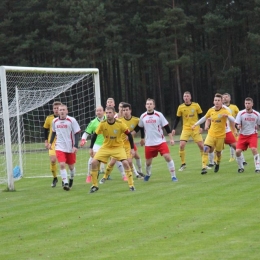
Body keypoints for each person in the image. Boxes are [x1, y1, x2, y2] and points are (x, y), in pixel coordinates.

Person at [89, 106, 136, 193]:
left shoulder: (120, 123)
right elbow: (94, 135)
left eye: (110, 113)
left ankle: (131, 185)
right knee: (93, 162)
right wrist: (91, 148)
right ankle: (94, 185)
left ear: (114, 114)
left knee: (126, 163)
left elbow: (129, 134)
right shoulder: (103, 123)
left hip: (118, 147)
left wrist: (132, 148)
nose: (108, 114)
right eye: (106, 113)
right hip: (106, 147)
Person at [99, 103, 144, 182]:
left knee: (130, 160)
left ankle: (136, 174)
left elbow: (141, 126)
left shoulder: (136, 120)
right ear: (121, 112)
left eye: (127, 110)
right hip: (118, 144)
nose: (125, 112)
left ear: (130, 111)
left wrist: (142, 138)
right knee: (112, 162)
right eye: (123, 110)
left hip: (128, 144)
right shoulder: (119, 121)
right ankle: (105, 177)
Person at [192, 93, 235, 174]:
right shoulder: (210, 110)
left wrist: (228, 116)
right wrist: (195, 124)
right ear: (213, 101)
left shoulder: (225, 111)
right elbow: (204, 118)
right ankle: (204, 167)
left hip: (221, 136)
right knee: (206, 149)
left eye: (218, 100)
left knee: (218, 153)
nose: (217, 102)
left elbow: (233, 119)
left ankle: (217, 163)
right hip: (211, 134)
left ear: (222, 102)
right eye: (215, 100)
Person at [138, 98, 178, 182]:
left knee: (167, 157)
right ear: (145, 105)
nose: (149, 105)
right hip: (149, 143)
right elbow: (141, 128)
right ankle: (148, 174)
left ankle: (173, 176)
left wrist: (171, 139)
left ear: (154, 105)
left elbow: (167, 127)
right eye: (147, 104)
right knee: (148, 163)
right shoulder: (143, 116)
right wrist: (142, 138)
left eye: (150, 104)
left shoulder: (159, 115)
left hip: (160, 141)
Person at [48, 104, 81, 191]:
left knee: (71, 167)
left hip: (70, 147)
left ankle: (71, 178)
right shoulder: (54, 121)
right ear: (58, 112)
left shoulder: (71, 120)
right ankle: (65, 183)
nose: (62, 111)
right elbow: (54, 133)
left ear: (67, 111)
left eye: (63, 110)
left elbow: (77, 133)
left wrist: (75, 146)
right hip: (59, 146)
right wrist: (50, 143)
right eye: (60, 110)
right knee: (62, 164)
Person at [172, 91, 204, 171]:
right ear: (183, 98)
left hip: (195, 128)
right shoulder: (181, 107)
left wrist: (201, 127)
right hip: (186, 129)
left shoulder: (196, 105)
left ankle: (204, 163)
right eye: (184, 96)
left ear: (190, 97)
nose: (186, 98)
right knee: (181, 145)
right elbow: (177, 119)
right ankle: (183, 164)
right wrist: (173, 128)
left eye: (187, 96)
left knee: (201, 146)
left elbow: (201, 116)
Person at [80, 106, 106, 183]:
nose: (99, 112)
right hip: (97, 144)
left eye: (100, 110)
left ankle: (123, 175)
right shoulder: (93, 122)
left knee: (116, 158)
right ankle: (89, 175)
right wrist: (83, 140)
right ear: (95, 112)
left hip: (108, 143)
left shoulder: (108, 119)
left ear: (103, 111)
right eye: (97, 111)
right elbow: (86, 133)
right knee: (92, 159)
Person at [235, 97, 260, 173]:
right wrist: (238, 126)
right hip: (242, 135)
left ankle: (258, 168)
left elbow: (259, 125)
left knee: (254, 149)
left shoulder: (257, 114)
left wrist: (258, 128)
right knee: (237, 152)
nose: (247, 105)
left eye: (249, 103)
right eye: (246, 103)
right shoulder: (241, 113)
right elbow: (236, 124)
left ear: (252, 104)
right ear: (244, 104)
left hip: (252, 134)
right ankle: (241, 167)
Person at [43, 101, 62, 187]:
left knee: (62, 162)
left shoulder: (65, 118)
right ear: (53, 109)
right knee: (53, 160)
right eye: (55, 108)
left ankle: (64, 180)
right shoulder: (49, 118)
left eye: (58, 108)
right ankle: (55, 178)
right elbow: (45, 129)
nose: (56, 110)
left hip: (63, 142)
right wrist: (46, 141)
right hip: (52, 143)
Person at [222, 93, 240, 162]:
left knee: (235, 144)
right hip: (223, 129)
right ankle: (215, 161)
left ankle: (236, 158)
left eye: (226, 97)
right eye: (223, 97)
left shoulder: (234, 107)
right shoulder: (220, 108)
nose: (225, 98)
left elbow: (239, 116)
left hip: (232, 128)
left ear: (230, 99)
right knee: (219, 145)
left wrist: (238, 125)